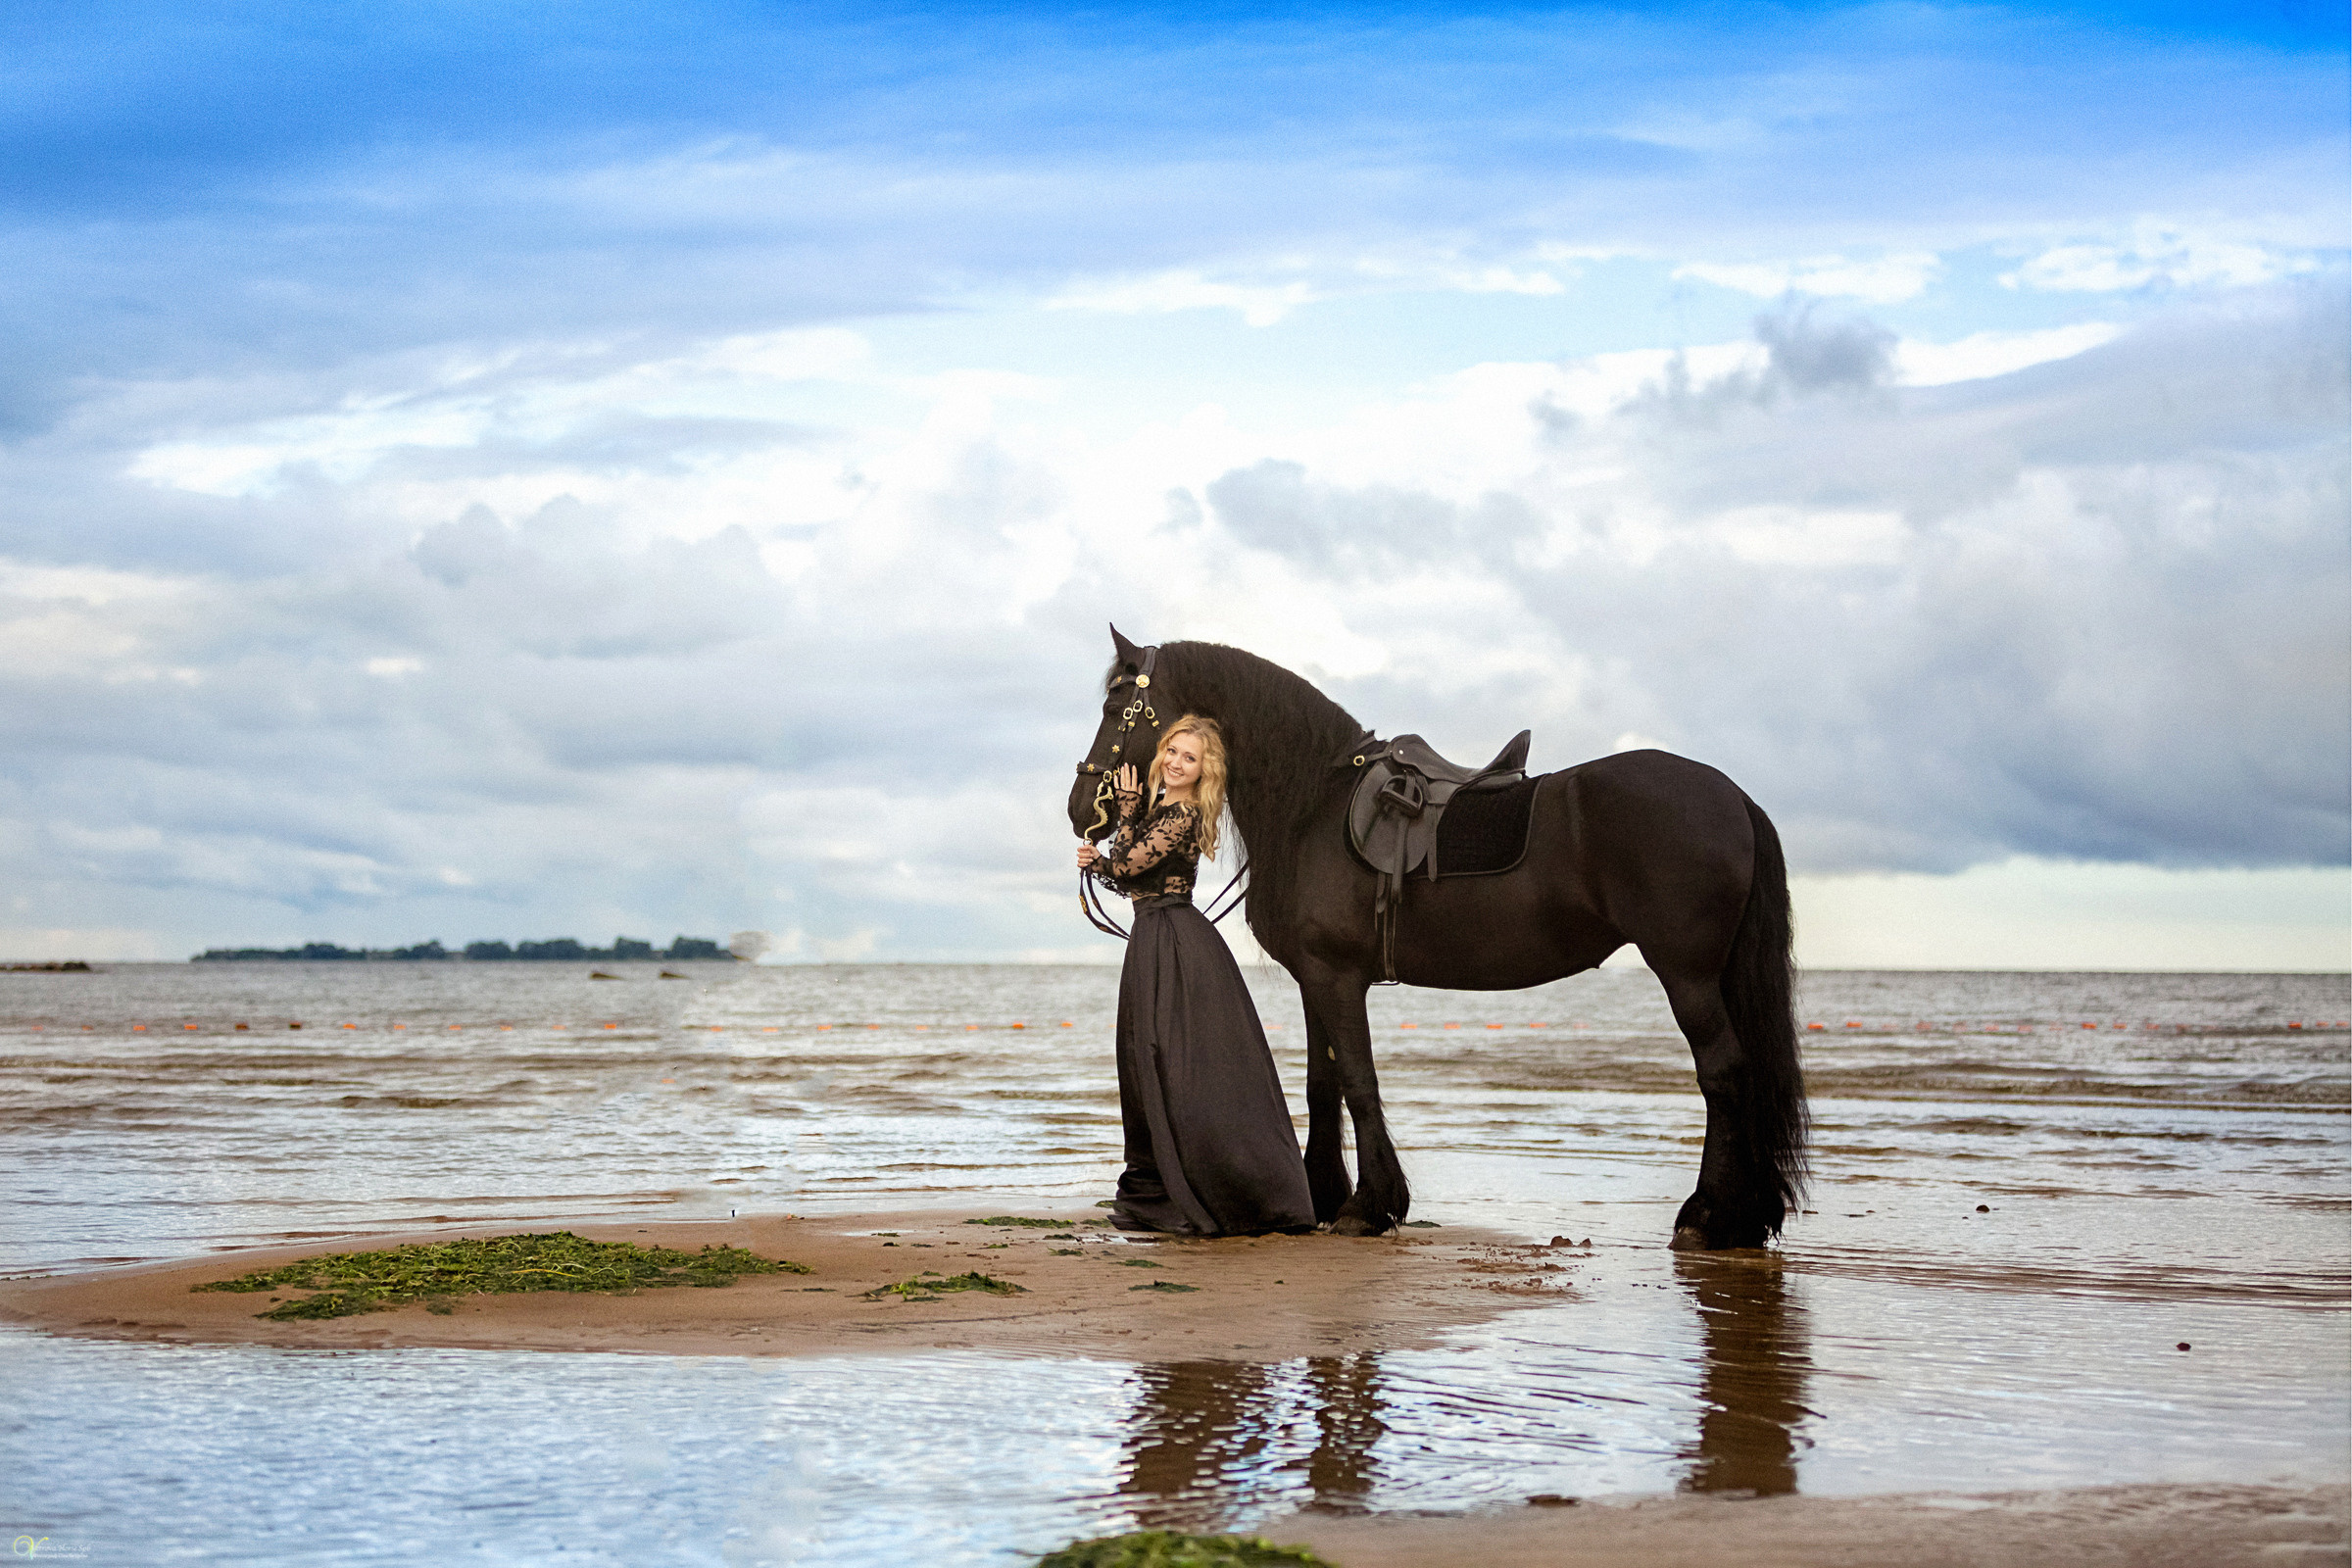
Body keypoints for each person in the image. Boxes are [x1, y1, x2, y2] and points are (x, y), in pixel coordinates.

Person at [1075, 714, 1317, 1236]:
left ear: (1205, 771)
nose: (1176, 762)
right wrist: (1114, 838)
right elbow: (1130, 874)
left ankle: (1223, 1188)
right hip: (1156, 938)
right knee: (1149, 1061)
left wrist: (1114, 831)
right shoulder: (1162, 808)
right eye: (1172, 751)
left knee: (1185, 1068)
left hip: (1177, 943)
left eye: (1190, 757)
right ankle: (1159, 1185)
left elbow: (1126, 866)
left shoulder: (1182, 814)